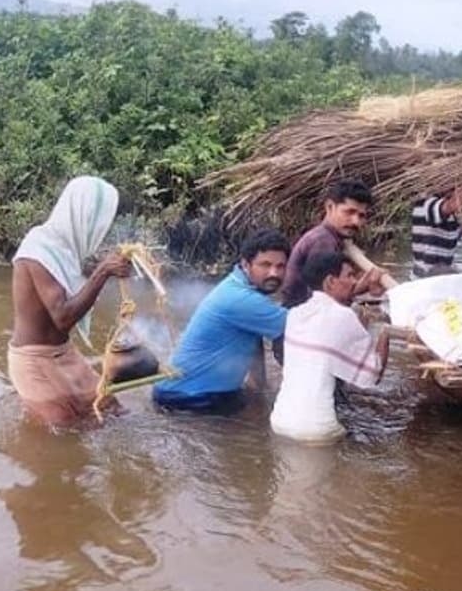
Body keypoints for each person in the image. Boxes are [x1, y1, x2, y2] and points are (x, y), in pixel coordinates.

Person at [8, 176, 131, 426]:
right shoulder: (38, 249)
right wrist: (103, 271)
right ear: (82, 216)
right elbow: (63, 317)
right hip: (32, 359)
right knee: (62, 430)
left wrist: (107, 269)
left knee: (112, 410)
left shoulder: (63, 248)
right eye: (99, 221)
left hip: (63, 352)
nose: (102, 229)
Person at [152, 229, 289, 414]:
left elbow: (254, 339)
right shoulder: (241, 299)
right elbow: (303, 329)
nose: (274, 273)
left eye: (281, 266)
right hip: (189, 397)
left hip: (186, 390)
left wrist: (259, 388)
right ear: (246, 264)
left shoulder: (239, 287)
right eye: (265, 265)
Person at [270, 251, 388, 442]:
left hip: (280, 421)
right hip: (316, 429)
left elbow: (330, 345)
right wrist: (385, 331)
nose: (354, 282)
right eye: (349, 275)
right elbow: (373, 376)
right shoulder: (343, 316)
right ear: (330, 281)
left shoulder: (295, 314)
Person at [280, 180, 376, 308]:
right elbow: (325, 298)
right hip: (303, 315)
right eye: (349, 212)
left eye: (361, 216)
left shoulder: (330, 237)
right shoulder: (322, 241)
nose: (356, 222)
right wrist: (363, 286)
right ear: (330, 207)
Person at [410, 185, 462, 279]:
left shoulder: (447, 216)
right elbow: (454, 204)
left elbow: (447, 237)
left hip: (441, 277)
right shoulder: (428, 204)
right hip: (425, 280)